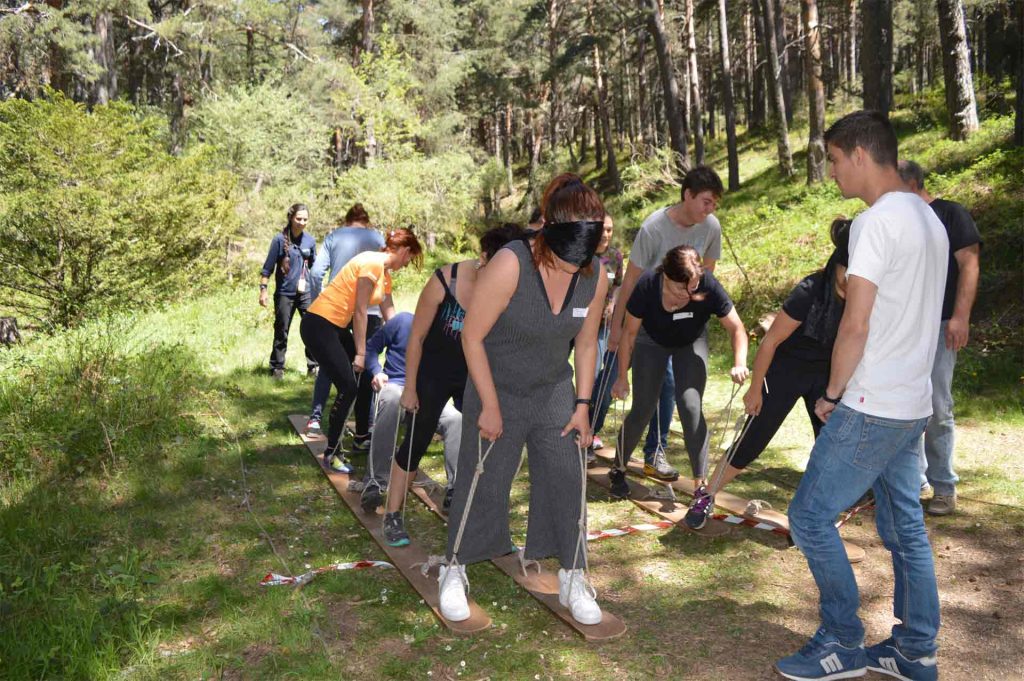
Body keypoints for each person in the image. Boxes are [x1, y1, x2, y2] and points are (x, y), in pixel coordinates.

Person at [774, 111, 948, 681]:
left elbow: (856, 322)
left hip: (874, 403)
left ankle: (843, 642)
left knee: (810, 516)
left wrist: (831, 392)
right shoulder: (930, 220)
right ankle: (916, 649)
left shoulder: (875, 224)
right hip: (913, 402)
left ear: (857, 154)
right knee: (903, 528)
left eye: (830, 159)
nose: (830, 173)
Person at [438, 174, 608, 626]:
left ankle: (573, 574)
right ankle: (453, 568)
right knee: (485, 477)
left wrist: (583, 404)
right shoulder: (512, 263)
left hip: (554, 389)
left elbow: (588, 344)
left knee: (566, 476)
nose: (577, 269)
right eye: (570, 259)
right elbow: (471, 336)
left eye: (585, 260)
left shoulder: (597, 274)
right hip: (496, 384)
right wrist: (489, 405)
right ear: (549, 234)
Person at [684, 220, 851, 530]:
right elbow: (771, 341)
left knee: (830, 444)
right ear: (835, 265)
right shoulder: (809, 290)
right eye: (845, 276)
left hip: (827, 375)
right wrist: (756, 388)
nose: (850, 284)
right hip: (786, 369)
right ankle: (706, 496)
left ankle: (818, 516)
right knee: (752, 440)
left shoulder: (862, 297)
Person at [373, 224, 526, 545]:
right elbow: (416, 336)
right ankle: (393, 515)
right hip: (433, 373)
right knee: (415, 441)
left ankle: (486, 521)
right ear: (485, 256)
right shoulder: (446, 279)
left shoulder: (509, 287)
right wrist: (411, 387)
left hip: (475, 375)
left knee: (487, 446)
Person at [607, 166, 725, 480]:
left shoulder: (711, 227)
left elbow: (707, 279)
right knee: (646, 402)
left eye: (714, 204)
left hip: (687, 328)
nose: (711, 209)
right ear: (687, 195)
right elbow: (631, 283)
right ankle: (622, 463)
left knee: (687, 402)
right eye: (706, 201)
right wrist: (617, 330)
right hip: (649, 326)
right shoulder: (654, 229)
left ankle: (669, 463)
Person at [609, 245, 749, 499]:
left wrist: (740, 362)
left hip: (690, 342)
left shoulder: (707, 285)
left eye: (693, 288)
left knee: (691, 405)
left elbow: (737, 328)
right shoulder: (647, 286)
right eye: (680, 288)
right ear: (666, 276)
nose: (687, 294)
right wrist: (621, 378)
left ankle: (700, 484)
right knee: (644, 407)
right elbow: (629, 335)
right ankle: (618, 467)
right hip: (651, 341)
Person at [300, 228, 423, 473]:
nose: (408, 263)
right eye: (410, 258)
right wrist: (359, 352)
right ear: (405, 250)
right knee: (348, 387)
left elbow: (391, 316)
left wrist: (407, 341)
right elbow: (360, 311)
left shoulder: (384, 274)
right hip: (319, 325)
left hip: (334, 327)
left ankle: (360, 436)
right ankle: (331, 452)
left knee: (365, 375)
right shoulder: (371, 263)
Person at [898, 160, 982, 516]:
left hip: (941, 323)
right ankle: (914, 482)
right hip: (906, 327)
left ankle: (944, 485)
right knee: (904, 406)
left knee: (938, 405)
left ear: (914, 184)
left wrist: (960, 316)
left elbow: (970, 264)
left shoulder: (951, 214)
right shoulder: (901, 222)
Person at [358, 312, 463, 516]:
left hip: (427, 397)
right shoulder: (402, 321)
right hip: (396, 385)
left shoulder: (445, 335)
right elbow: (371, 347)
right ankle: (375, 483)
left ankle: (455, 489)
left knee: (455, 419)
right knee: (392, 400)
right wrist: (376, 370)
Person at [305, 203, 385, 442]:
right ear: (366, 220)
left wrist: (319, 299)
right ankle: (366, 425)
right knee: (367, 364)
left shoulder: (334, 236)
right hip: (369, 310)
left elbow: (316, 273)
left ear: (348, 220)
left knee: (331, 364)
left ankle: (315, 418)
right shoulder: (377, 237)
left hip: (337, 309)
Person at [259, 204, 318, 379]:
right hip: (285, 294)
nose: (302, 222)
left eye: (305, 219)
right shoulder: (279, 240)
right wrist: (263, 290)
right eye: (299, 218)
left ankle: (314, 367)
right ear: (291, 218)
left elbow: (315, 269)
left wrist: (318, 291)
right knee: (281, 330)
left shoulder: (310, 241)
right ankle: (277, 368)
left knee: (312, 330)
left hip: (306, 293)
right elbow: (267, 268)